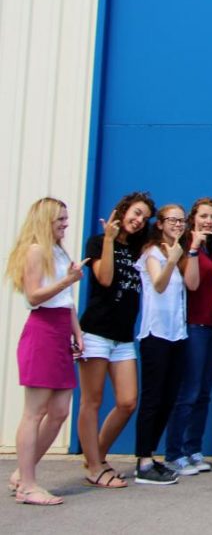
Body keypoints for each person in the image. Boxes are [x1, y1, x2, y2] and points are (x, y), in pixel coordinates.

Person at [7, 198, 89, 504]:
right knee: (35, 412)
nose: (66, 224)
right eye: (60, 220)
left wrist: (76, 331)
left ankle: (22, 472)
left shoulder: (58, 250)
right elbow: (33, 296)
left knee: (59, 411)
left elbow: (66, 300)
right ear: (45, 221)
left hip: (61, 331)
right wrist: (68, 279)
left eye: (66, 219)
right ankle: (28, 485)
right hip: (42, 331)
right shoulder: (35, 251)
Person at [78, 191, 155, 486]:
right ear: (123, 211)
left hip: (123, 338)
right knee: (92, 401)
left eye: (144, 218)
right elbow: (105, 279)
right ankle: (95, 467)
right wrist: (109, 240)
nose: (139, 220)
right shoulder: (98, 242)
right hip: (97, 332)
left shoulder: (138, 249)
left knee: (127, 402)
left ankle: (95, 457)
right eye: (136, 213)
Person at [164, 197, 212, 477]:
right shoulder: (188, 246)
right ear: (193, 218)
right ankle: (174, 453)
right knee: (188, 393)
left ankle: (193, 448)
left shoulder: (211, 249)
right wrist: (193, 249)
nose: (208, 221)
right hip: (193, 327)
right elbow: (191, 284)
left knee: (203, 393)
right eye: (203, 216)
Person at [133, 203, 190, 485]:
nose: (178, 225)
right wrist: (172, 260)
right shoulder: (152, 253)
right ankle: (143, 462)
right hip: (155, 334)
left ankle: (151, 455)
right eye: (172, 220)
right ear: (159, 224)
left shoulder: (176, 254)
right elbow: (158, 284)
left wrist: (178, 257)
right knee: (153, 398)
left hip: (177, 334)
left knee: (168, 398)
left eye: (181, 221)